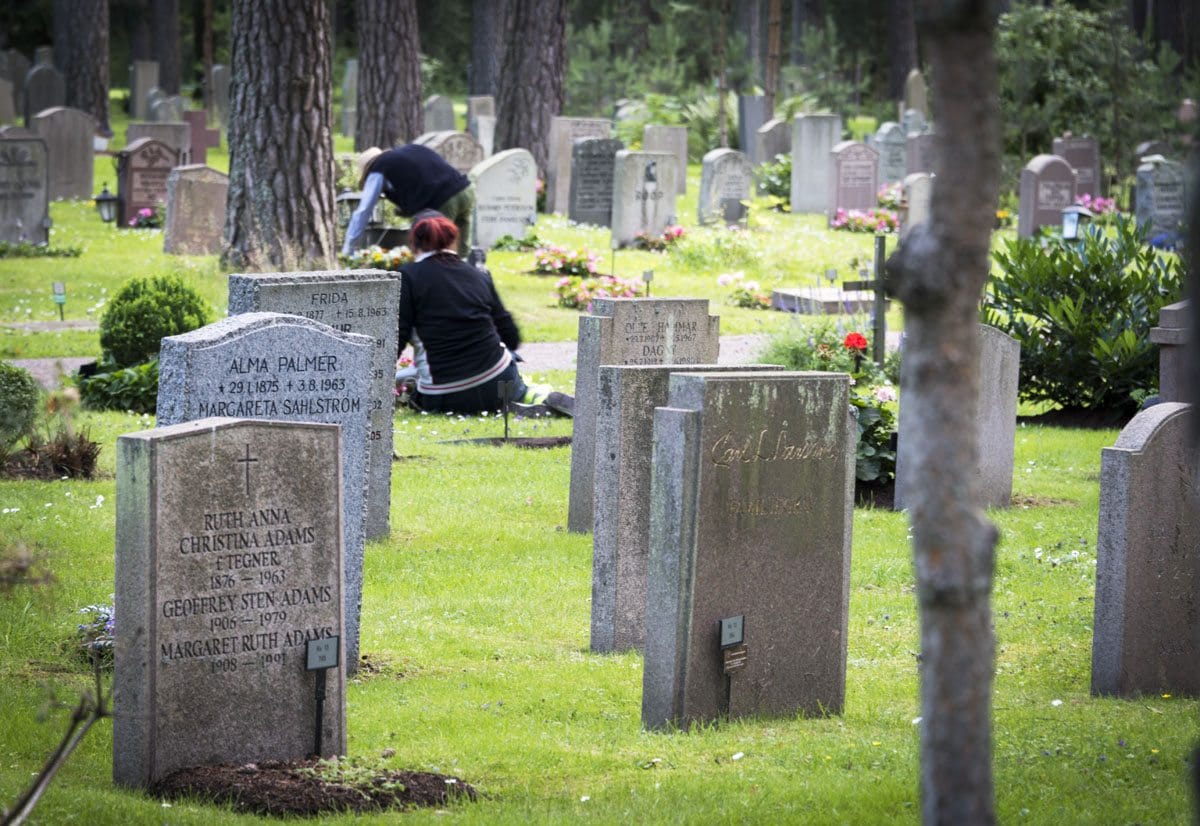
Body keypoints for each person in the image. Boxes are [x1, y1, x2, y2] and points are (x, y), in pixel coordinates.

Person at [396, 212, 531, 415]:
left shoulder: (408, 277)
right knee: (508, 355)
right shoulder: (478, 275)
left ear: (414, 244)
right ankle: (530, 396)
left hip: (445, 395)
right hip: (500, 384)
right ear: (453, 241)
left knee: (409, 378)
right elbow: (511, 337)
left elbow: (398, 335)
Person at [342, 144, 475, 257]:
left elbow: (364, 210)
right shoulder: (410, 151)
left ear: (368, 169)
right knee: (462, 252)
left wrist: (349, 249)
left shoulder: (378, 168)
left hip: (444, 201)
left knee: (437, 254)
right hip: (466, 191)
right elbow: (424, 179)